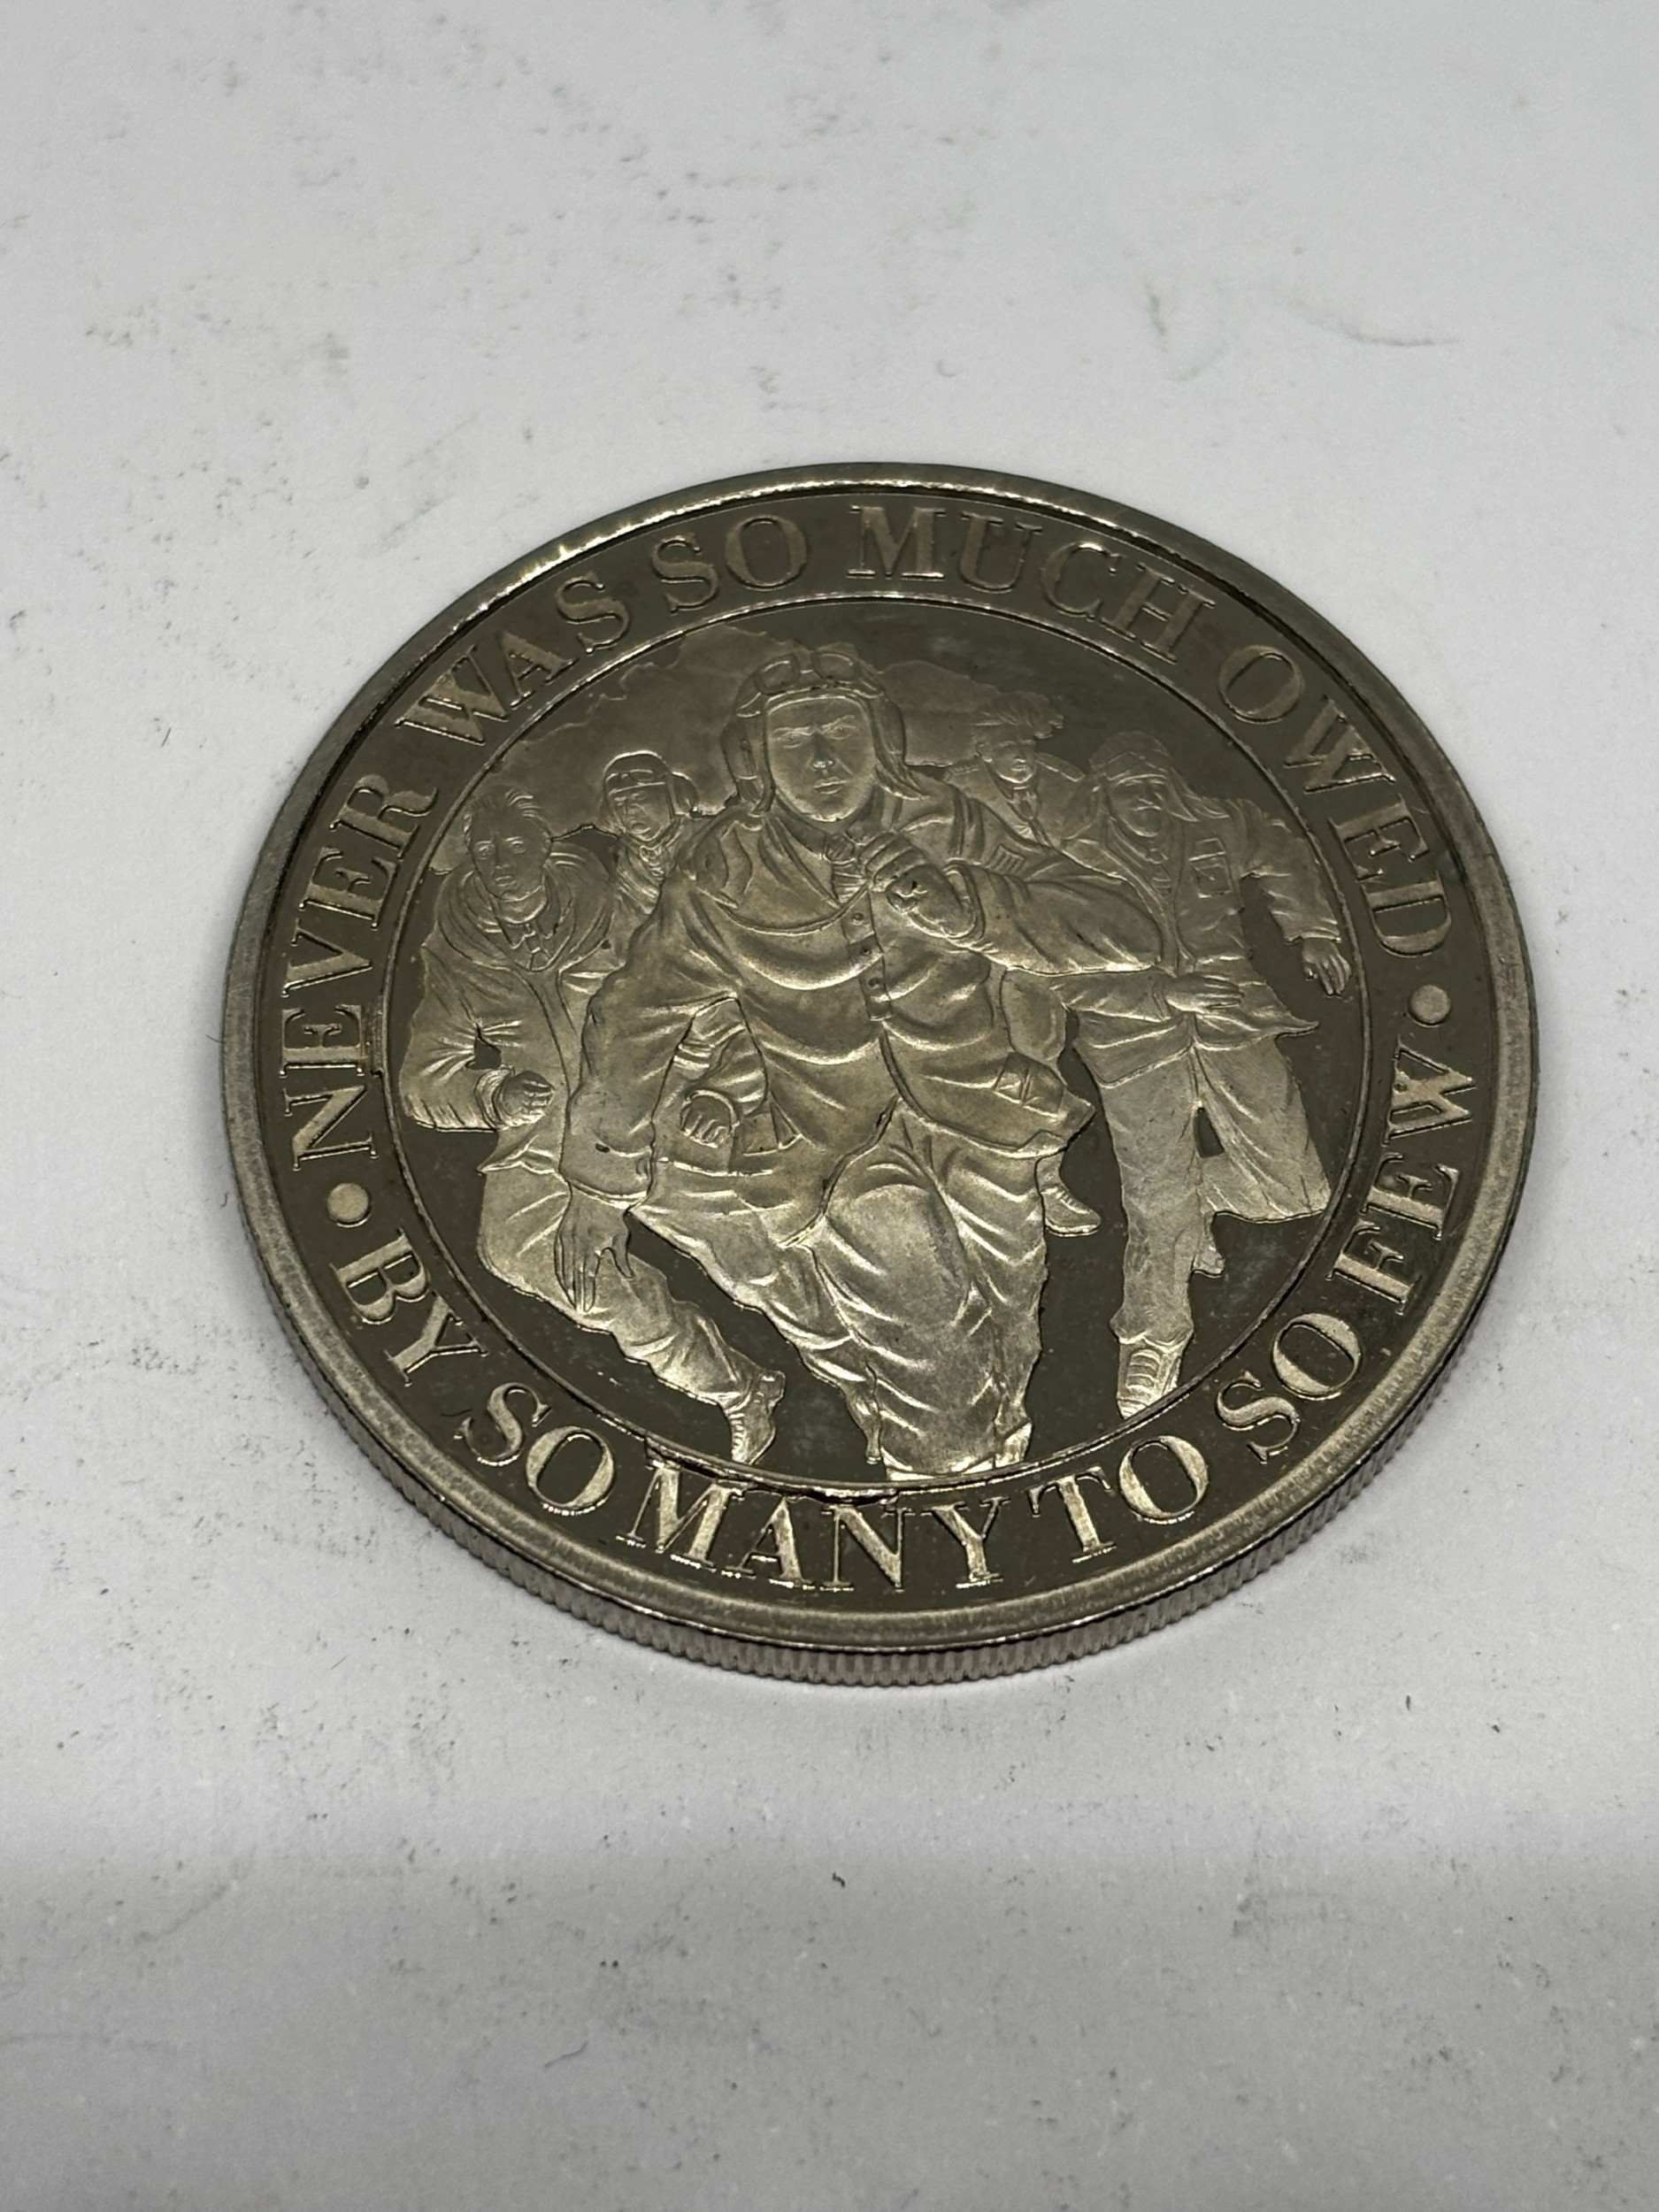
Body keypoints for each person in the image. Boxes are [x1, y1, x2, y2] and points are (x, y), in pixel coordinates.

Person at [553, 646, 1163, 1480]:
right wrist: (597, 1186)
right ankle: (939, 1500)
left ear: (881, 738)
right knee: (937, 1373)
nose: (822, 758)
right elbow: (633, 1012)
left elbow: (1128, 931)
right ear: (755, 758)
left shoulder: (951, 822)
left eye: (841, 730)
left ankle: (969, 1480)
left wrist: (968, 904)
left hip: (987, 1127)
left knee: (1006, 1350)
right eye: (793, 738)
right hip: (832, 1153)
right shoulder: (721, 868)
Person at [396, 778, 785, 1463]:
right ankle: (734, 1387)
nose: (499, 863)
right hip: (541, 1137)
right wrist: (489, 1095)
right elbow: (421, 1082)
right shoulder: (457, 953)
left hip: (653, 1104)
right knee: (517, 1248)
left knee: (752, 1246)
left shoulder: (612, 908)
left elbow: (702, 990)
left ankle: (855, 1356)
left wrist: (719, 1079)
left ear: (544, 845)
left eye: (514, 844)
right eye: (483, 851)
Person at [1058, 733, 1352, 1419]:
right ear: (1102, 798)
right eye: (1127, 792)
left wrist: (1312, 928)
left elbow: (1279, 845)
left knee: (1299, 1191)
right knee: (1156, 1200)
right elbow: (1052, 974)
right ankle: (1151, 1342)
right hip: (1133, 1043)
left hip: (1232, 1021)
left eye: (1154, 788)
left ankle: (1200, 1197)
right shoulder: (1071, 863)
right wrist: (1162, 994)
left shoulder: (1216, 828)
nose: (1143, 803)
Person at [946, 693, 1099, 1238]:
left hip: (1046, 953)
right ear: (984, 751)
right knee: (981, 1064)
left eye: (1025, 745)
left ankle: (1043, 1181)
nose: (1019, 755)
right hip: (974, 954)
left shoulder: (1066, 789)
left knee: (1040, 1057)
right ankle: (974, 1185)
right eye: (1005, 746)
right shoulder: (956, 796)